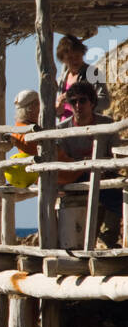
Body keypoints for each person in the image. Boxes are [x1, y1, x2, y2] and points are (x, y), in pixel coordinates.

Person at [57, 81, 121, 247]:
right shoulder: (63, 129)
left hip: (105, 174)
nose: (78, 105)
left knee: (119, 187)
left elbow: (117, 153)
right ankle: (105, 240)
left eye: (82, 100)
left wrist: (105, 168)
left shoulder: (107, 124)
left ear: (92, 102)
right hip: (76, 176)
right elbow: (62, 160)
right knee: (117, 196)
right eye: (73, 101)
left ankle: (106, 238)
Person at [55, 34, 110, 119]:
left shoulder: (92, 73)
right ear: (63, 59)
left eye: (77, 56)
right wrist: (58, 109)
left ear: (82, 53)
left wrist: (82, 99)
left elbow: (105, 102)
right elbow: (58, 111)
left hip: (87, 128)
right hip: (65, 128)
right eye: (70, 58)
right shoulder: (61, 80)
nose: (74, 60)